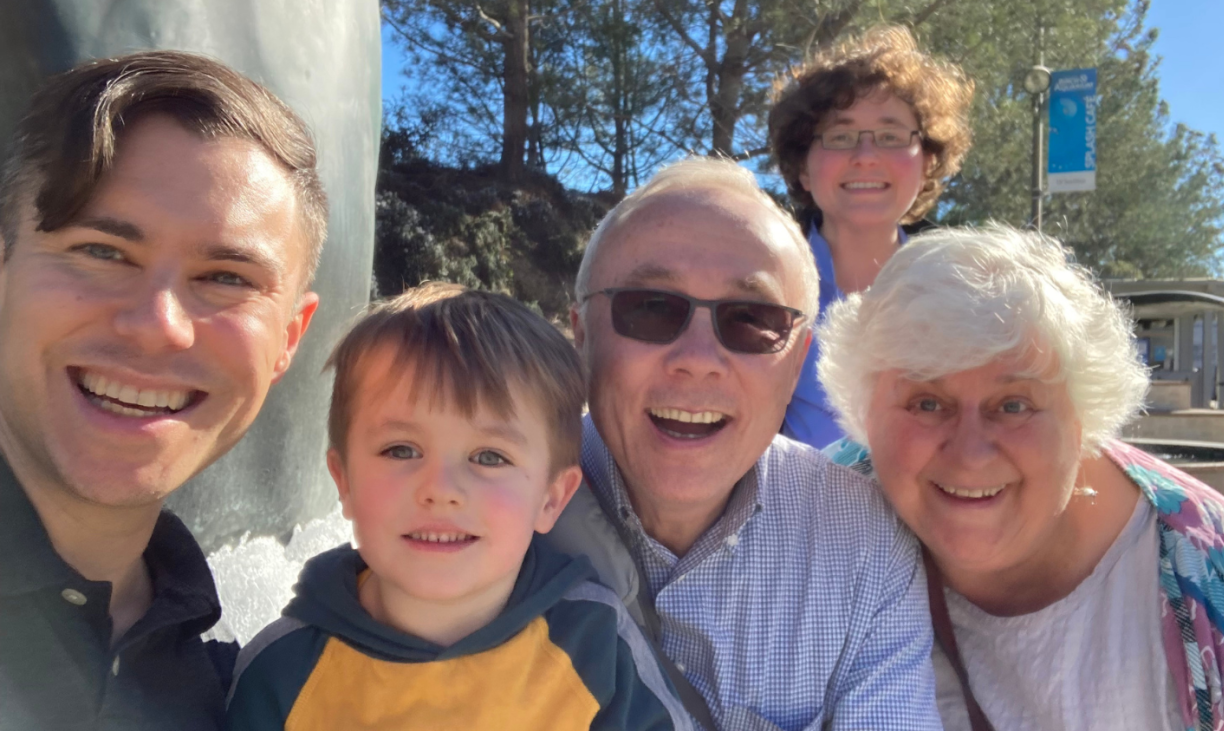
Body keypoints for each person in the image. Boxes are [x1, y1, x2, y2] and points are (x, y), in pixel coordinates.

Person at [818, 224, 1224, 731]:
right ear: (866, 411)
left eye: (1013, 404)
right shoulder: (814, 523)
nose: (970, 452)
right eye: (927, 402)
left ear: (1081, 419)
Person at [552, 157, 940, 730]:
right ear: (581, 337)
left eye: (753, 321)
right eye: (652, 308)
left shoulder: (865, 543)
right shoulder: (478, 504)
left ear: (798, 359)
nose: (697, 361)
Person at [0, 52, 324, 731]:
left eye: (227, 277)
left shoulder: (235, 688)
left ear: (289, 339)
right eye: (102, 251)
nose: (158, 327)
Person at [225, 283, 692, 731]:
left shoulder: (595, 644)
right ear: (343, 481)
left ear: (551, 499)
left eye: (490, 457)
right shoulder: (282, 675)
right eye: (401, 450)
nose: (441, 489)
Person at [768, 25, 974, 447]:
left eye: (890, 136)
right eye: (840, 137)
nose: (865, 157)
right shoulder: (760, 293)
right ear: (803, 168)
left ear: (928, 162)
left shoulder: (968, 296)